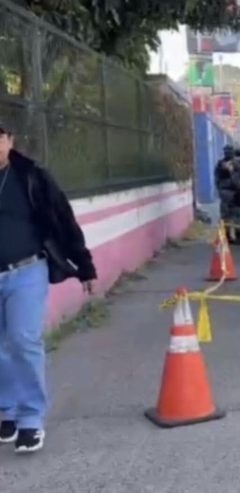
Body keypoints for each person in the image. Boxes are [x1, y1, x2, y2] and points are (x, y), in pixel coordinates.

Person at [0, 123, 97, 454]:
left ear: (9, 140)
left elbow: (63, 220)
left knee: (23, 340)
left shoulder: (32, 177)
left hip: (27, 271)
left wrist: (84, 265)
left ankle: (30, 418)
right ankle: (6, 411)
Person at [214, 145, 240, 245]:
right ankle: (237, 237)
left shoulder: (220, 164)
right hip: (235, 192)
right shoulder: (238, 164)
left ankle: (228, 237)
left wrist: (220, 191)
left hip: (226, 193)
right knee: (237, 216)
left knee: (227, 216)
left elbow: (217, 180)